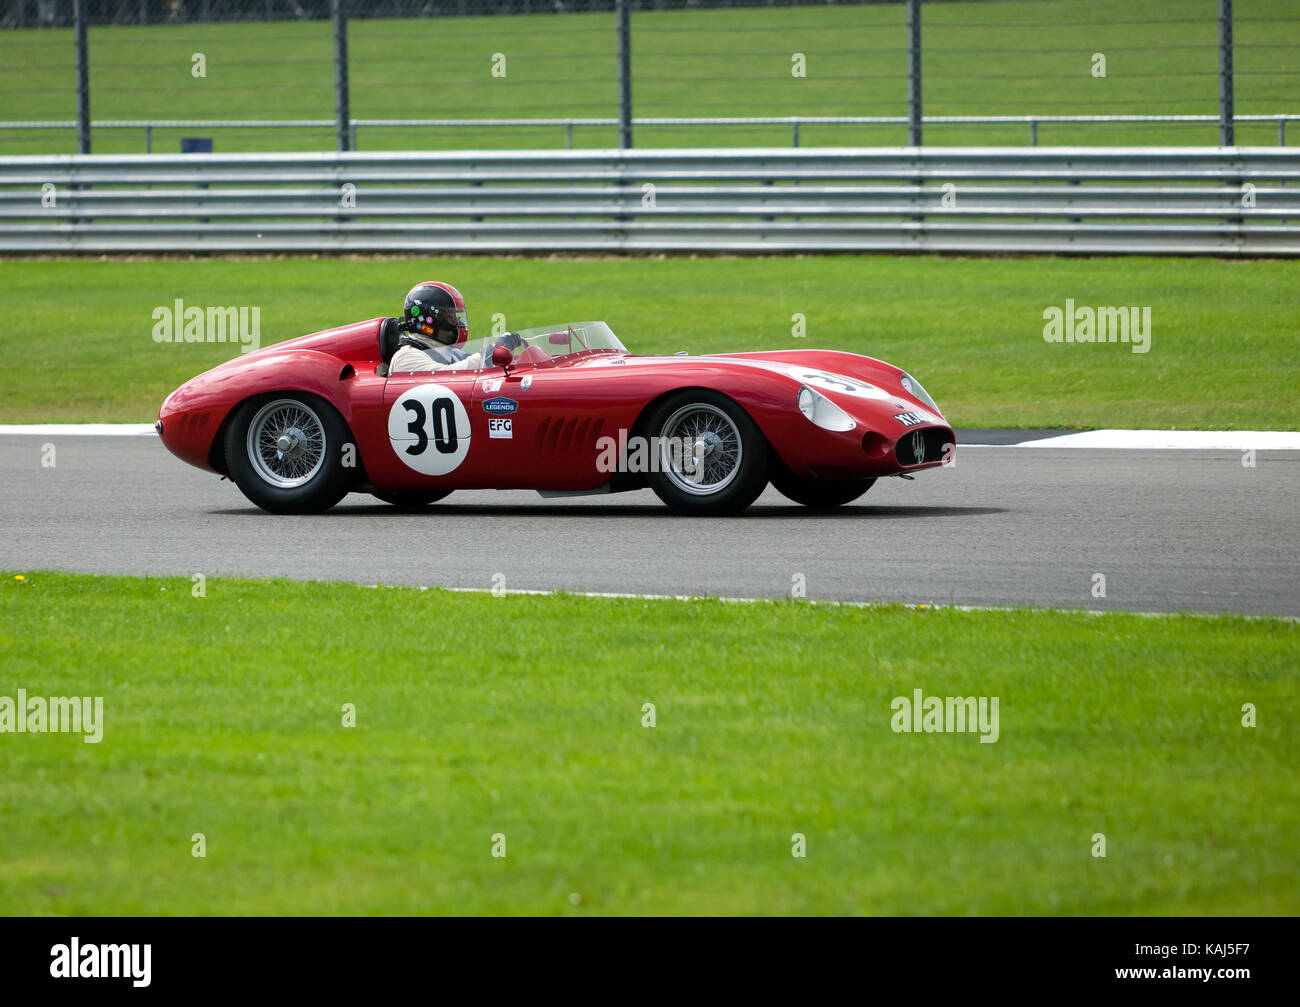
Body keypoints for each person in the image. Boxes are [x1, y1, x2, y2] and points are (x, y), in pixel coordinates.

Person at [387, 281, 520, 372]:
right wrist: (490, 353)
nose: (457, 322)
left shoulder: (449, 353)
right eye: (450, 316)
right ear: (431, 319)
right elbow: (448, 376)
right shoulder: (406, 357)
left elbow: (479, 365)